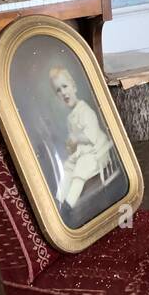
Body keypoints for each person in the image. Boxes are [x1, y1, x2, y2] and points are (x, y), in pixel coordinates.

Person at [48, 66, 112, 211]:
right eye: (58, 90)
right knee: (68, 166)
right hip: (83, 152)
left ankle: (68, 205)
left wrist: (76, 138)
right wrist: (71, 145)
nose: (63, 92)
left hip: (97, 152)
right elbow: (74, 142)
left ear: (74, 87)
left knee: (81, 168)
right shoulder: (70, 117)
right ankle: (58, 200)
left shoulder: (86, 111)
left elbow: (91, 136)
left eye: (65, 86)